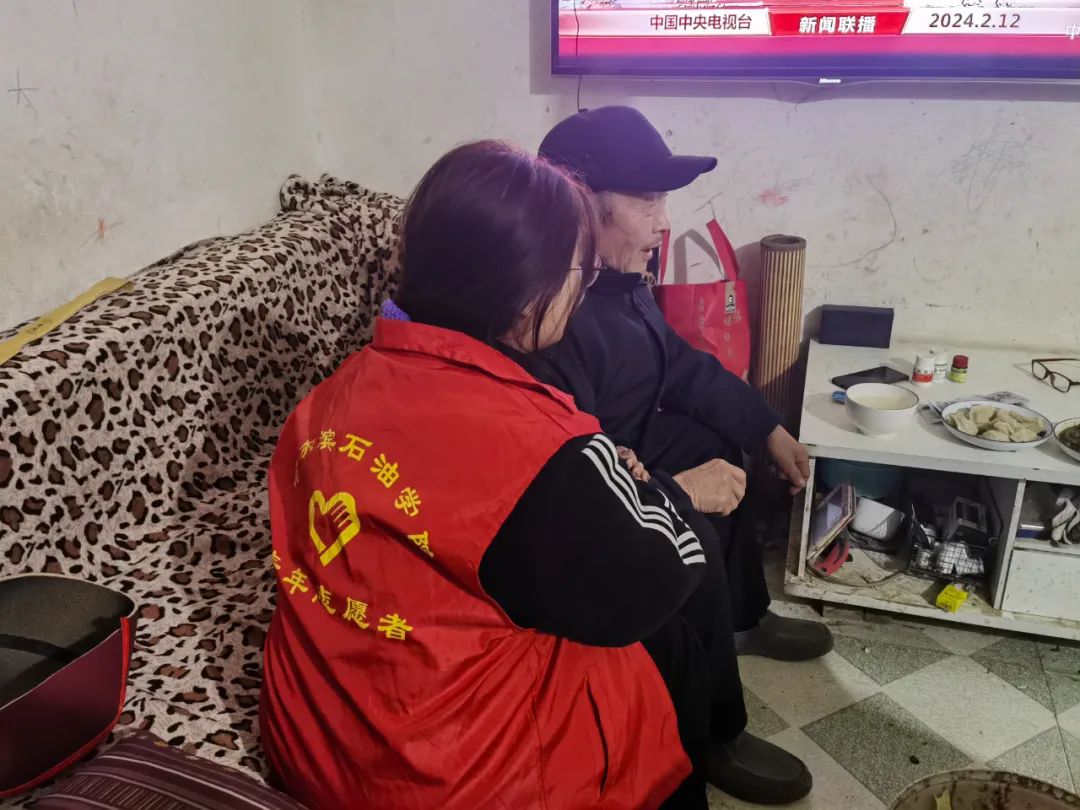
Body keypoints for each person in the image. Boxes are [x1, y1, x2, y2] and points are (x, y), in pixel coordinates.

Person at [259, 140, 796, 809]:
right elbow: (648, 579)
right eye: (578, 267)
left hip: (312, 735)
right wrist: (676, 494)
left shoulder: (324, 403)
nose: (585, 283)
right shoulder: (537, 445)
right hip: (438, 780)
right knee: (669, 654)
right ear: (522, 289)